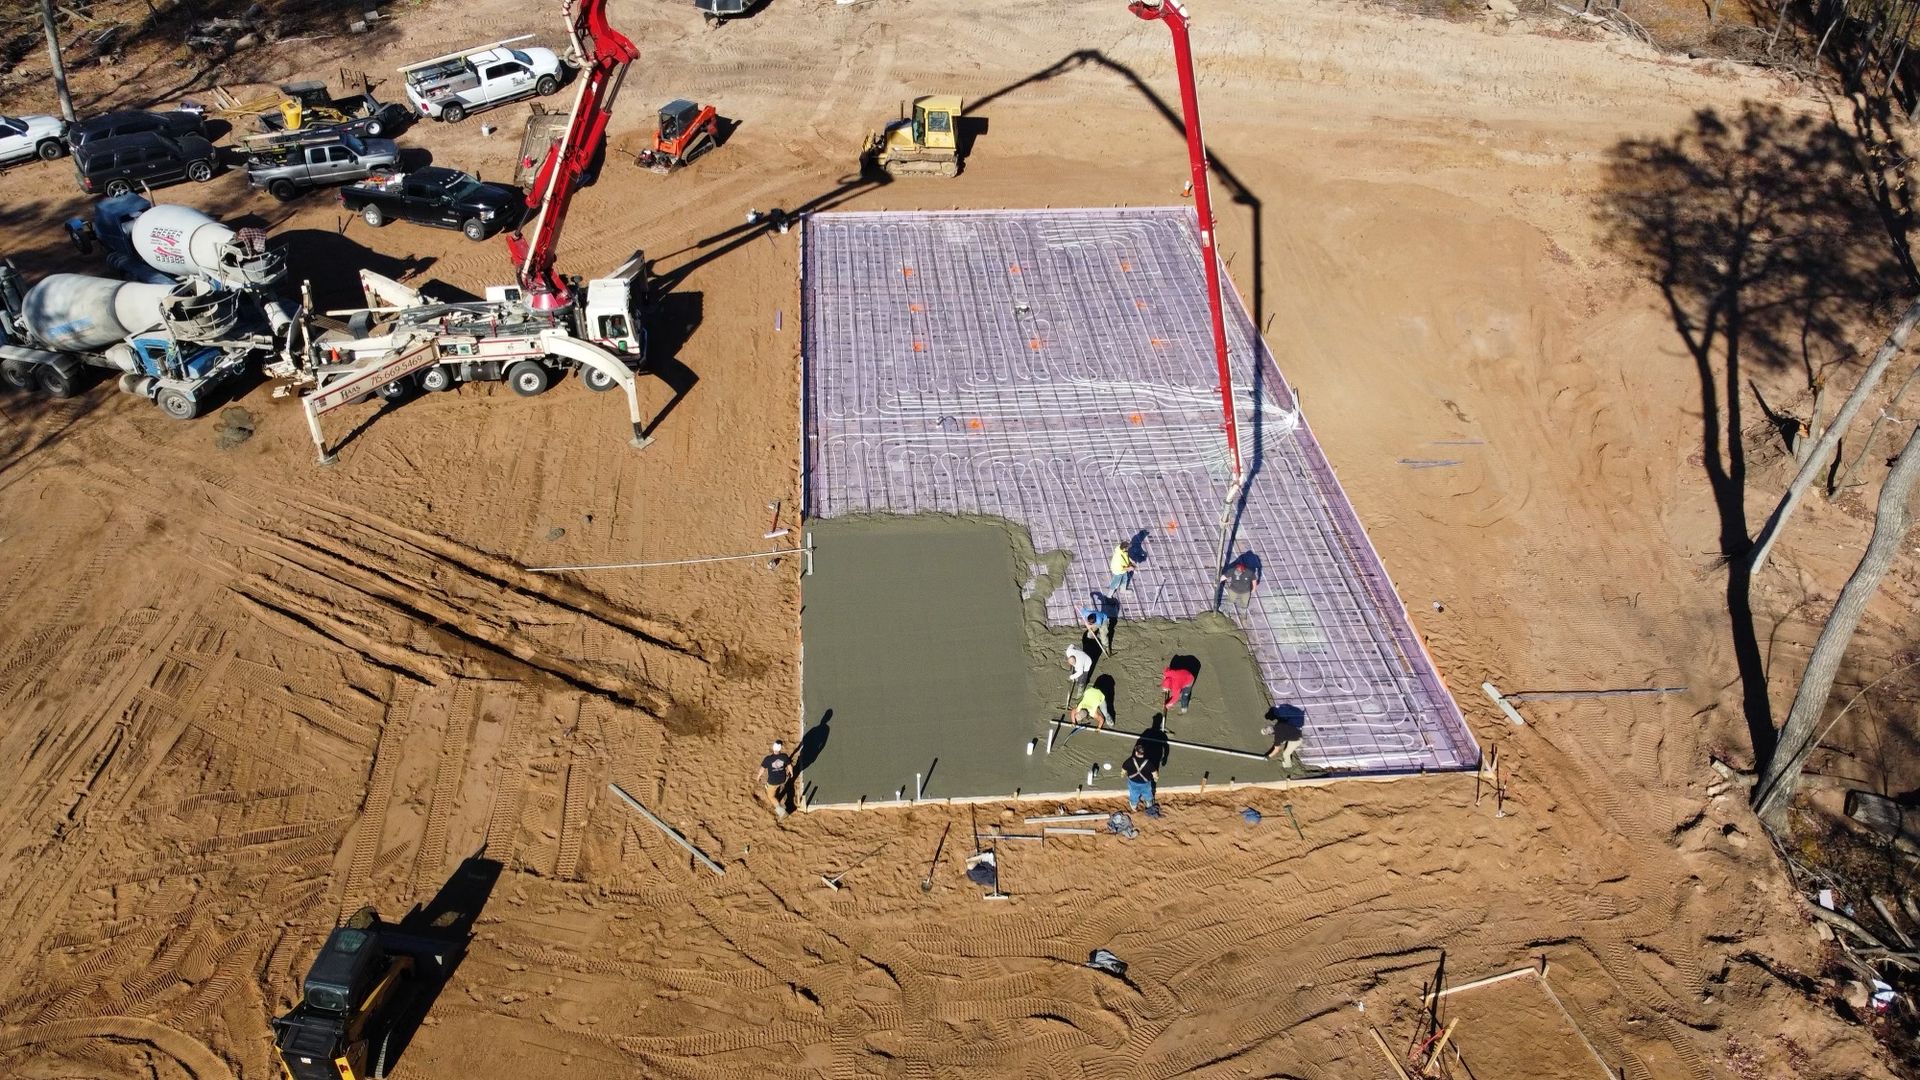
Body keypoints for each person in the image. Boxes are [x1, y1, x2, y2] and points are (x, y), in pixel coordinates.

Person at [757, 740, 795, 818]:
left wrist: (758, 777)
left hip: (773, 782)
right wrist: (791, 773)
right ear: (780, 749)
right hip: (782, 779)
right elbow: (789, 766)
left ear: (773, 748)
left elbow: (762, 769)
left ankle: (781, 812)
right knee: (777, 787)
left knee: (771, 796)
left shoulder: (768, 759)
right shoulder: (784, 756)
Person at [1123, 743, 1158, 811]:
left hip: (1133, 782)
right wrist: (1156, 778)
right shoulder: (1148, 763)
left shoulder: (1130, 761)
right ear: (1143, 753)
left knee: (1134, 794)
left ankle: (1134, 805)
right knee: (1147, 793)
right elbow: (1155, 773)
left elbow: (1123, 769)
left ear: (1136, 752)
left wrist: (1122, 774)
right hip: (1145, 783)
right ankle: (1149, 804)